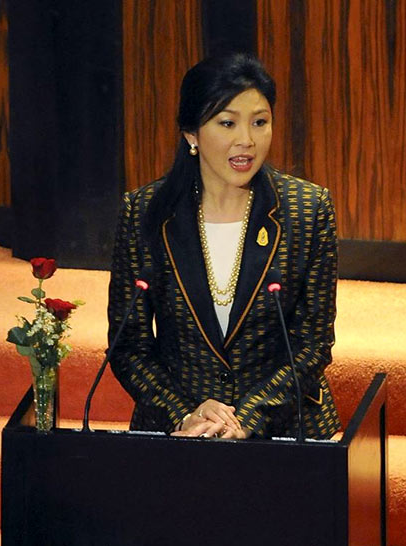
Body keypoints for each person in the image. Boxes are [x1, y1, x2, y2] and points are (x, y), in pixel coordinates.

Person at [107, 52, 340, 440]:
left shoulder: (307, 210)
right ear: (192, 134)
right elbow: (128, 345)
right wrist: (184, 415)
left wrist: (247, 418)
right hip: (180, 435)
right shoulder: (145, 213)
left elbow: (313, 344)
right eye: (227, 123)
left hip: (286, 430)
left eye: (260, 122)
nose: (246, 140)